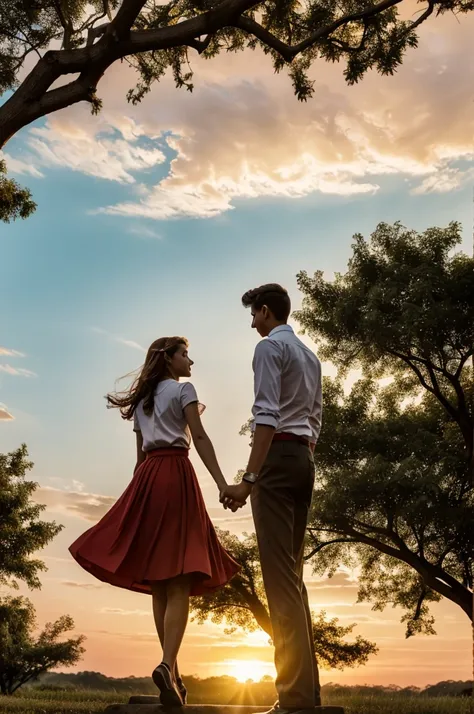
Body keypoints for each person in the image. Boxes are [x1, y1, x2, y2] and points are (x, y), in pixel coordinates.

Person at [69, 336, 242, 707]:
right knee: (179, 578)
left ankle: (175, 676)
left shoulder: (143, 402)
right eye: (185, 354)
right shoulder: (183, 391)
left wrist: (136, 504)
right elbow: (199, 438)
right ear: (168, 359)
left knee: (160, 583)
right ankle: (166, 664)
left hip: (148, 478)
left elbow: (138, 462)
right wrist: (223, 483)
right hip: (176, 474)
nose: (190, 361)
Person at [220, 284, 323, 714]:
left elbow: (266, 416)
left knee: (279, 583)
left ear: (265, 311)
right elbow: (315, 417)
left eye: (253, 315)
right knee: (293, 580)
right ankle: (308, 695)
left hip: (277, 459)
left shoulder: (269, 349)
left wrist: (249, 479)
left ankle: (294, 699)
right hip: (303, 459)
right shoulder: (310, 354)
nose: (252, 323)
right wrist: (301, 457)